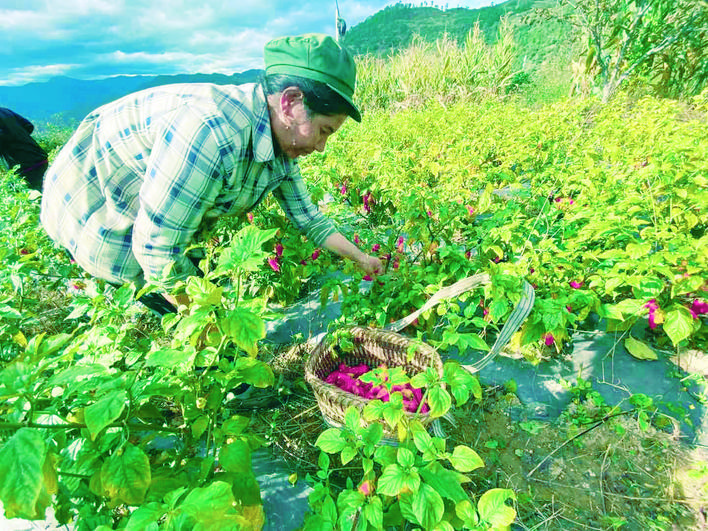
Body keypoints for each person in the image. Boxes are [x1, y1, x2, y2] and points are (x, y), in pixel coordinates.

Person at [40, 33, 383, 315]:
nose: (321, 146)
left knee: (198, 288)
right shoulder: (210, 133)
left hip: (154, 218)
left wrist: (362, 258)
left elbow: (309, 218)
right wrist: (214, 323)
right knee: (171, 302)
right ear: (290, 103)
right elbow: (158, 251)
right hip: (92, 202)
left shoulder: (281, 143)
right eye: (323, 131)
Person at [0, 107, 49, 191]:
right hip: (41, 157)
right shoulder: (4, 111)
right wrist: (19, 138)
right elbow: (29, 126)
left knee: (34, 197)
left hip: (25, 168)